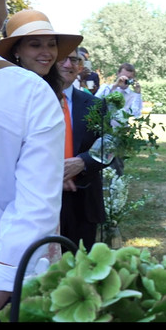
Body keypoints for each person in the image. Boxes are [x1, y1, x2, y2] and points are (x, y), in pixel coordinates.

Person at [0, 0, 65, 321]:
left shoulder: (71, 96)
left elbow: (102, 142)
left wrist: (85, 162)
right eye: (36, 44)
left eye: (52, 44)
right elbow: (32, 213)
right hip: (9, 260)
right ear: (16, 50)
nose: (47, 52)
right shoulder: (25, 91)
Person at [56, 48, 109, 251]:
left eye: (74, 60)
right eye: (63, 58)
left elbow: (111, 144)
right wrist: (54, 174)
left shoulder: (95, 105)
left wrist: (83, 162)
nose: (68, 65)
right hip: (41, 200)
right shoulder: (32, 100)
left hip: (84, 203)